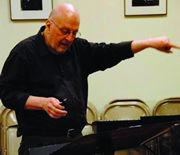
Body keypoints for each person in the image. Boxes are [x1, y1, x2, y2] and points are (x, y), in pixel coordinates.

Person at [0, 3, 179, 155]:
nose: (69, 38)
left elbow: (110, 52)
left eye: (74, 32)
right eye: (64, 31)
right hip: (40, 144)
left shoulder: (78, 49)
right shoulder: (24, 52)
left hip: (75, 141)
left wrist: (149, 43)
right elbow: (7, 93)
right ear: (48, 25)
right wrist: (41, 103)